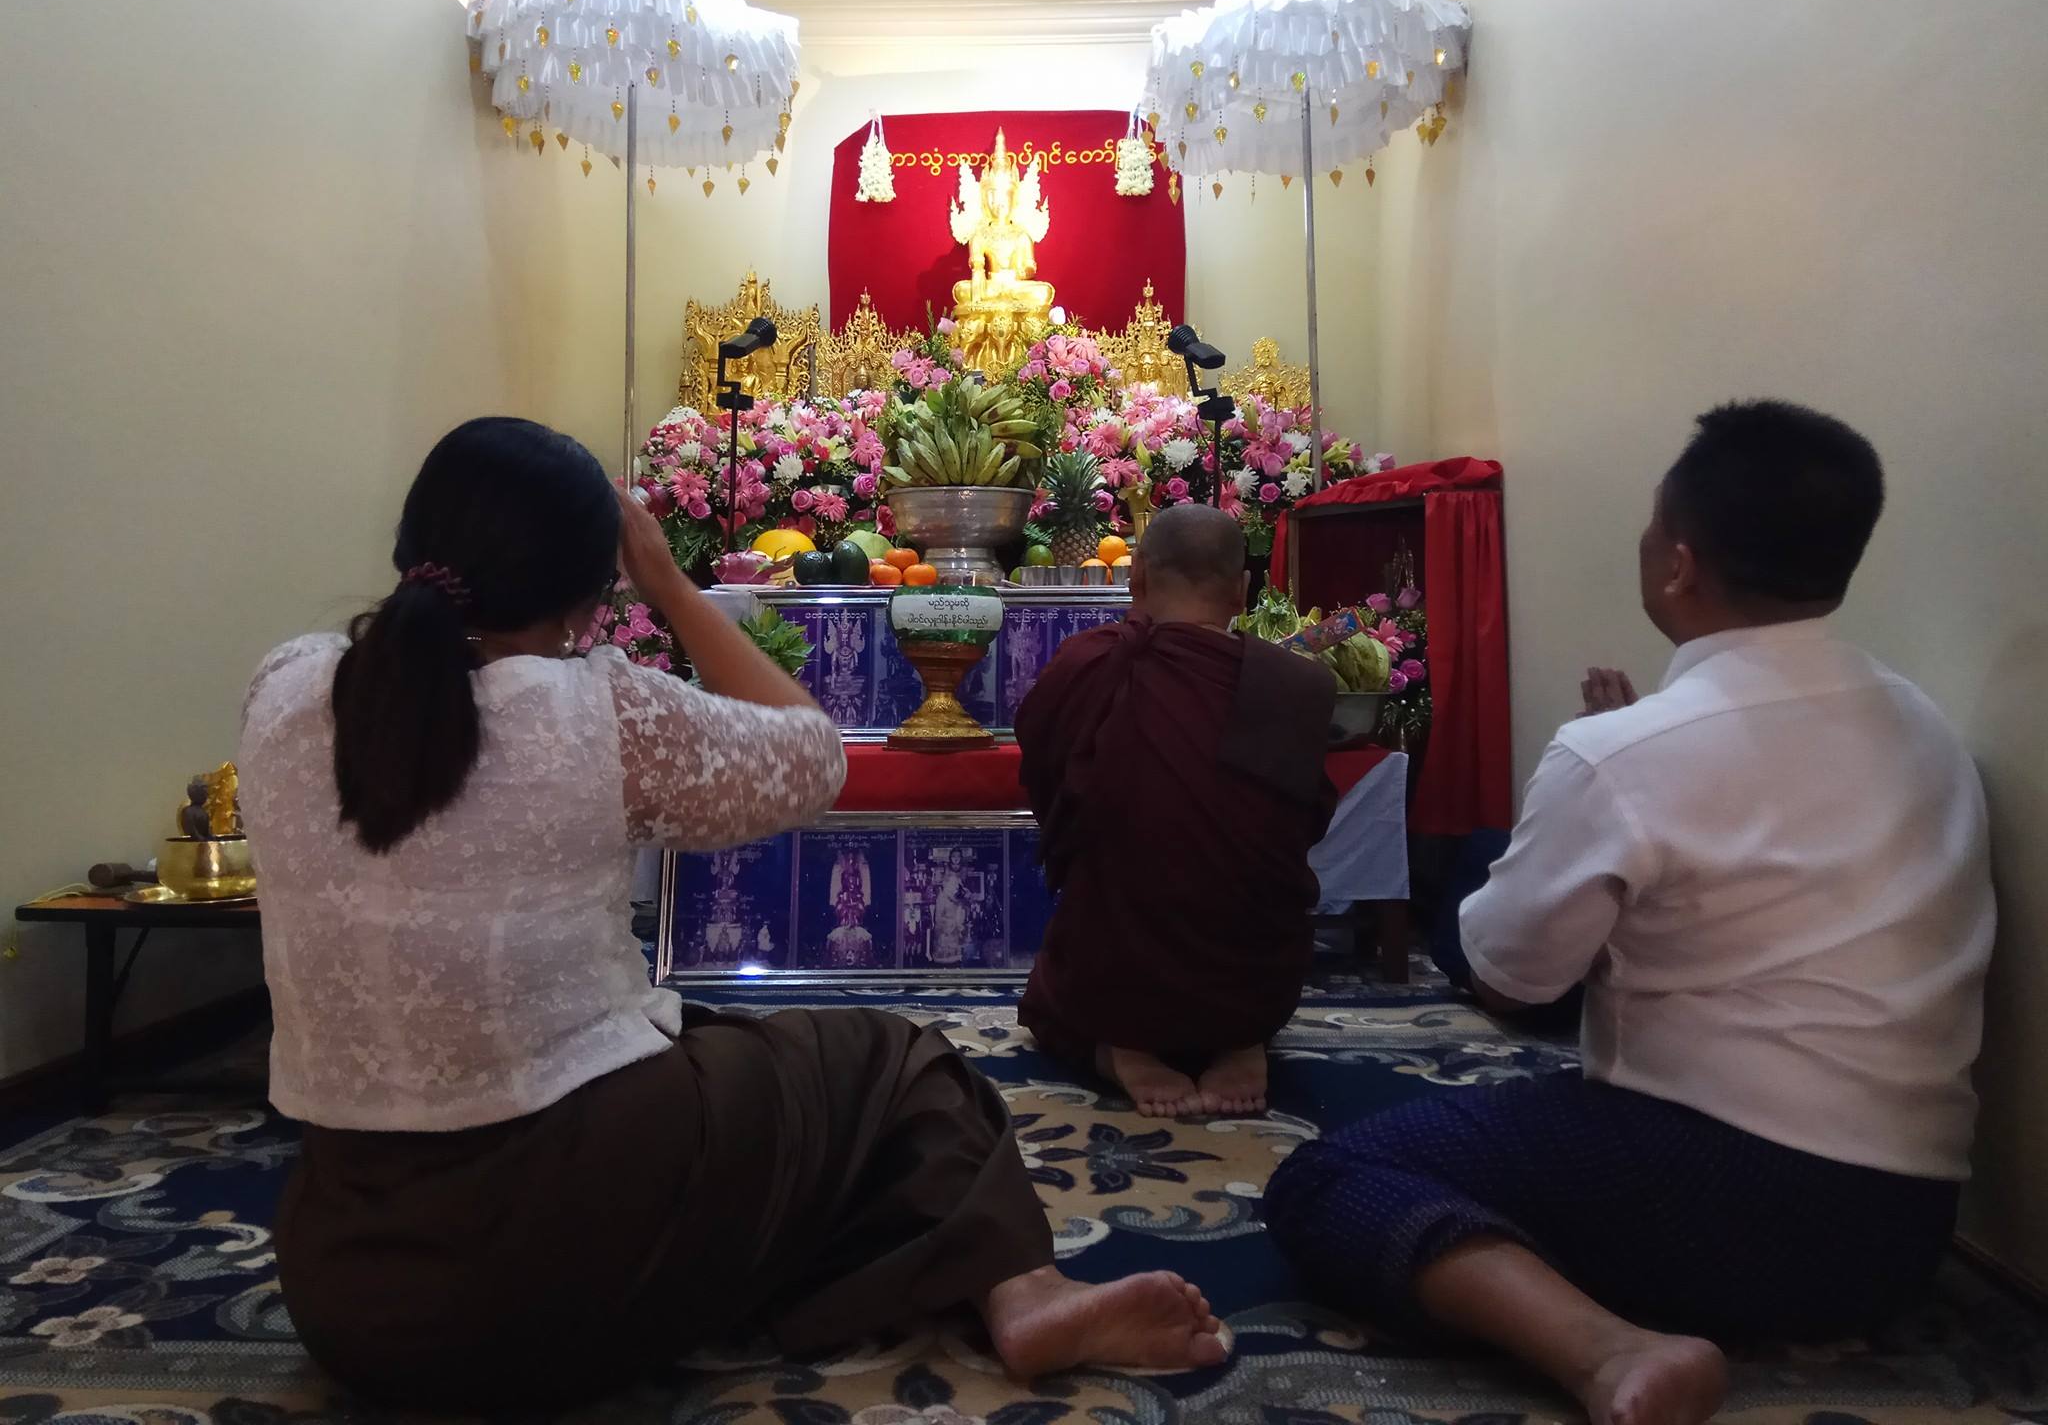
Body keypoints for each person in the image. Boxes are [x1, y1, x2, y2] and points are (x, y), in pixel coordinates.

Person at [239, 418, 1224, 1411]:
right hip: (550, 1257)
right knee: (894, 1066)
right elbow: (813, 756)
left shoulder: (284, 689)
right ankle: (1026, 1294)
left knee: (712, 1052)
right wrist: (673, 586)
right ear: (588, 594)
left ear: (411, 546)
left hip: (349, 1288)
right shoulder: (595, 711)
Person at [1264, 401, 1995, 1425]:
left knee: (1334, 1175)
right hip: (1903, 1234)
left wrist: (1588, 781)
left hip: (1721, 1198)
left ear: (1678, 565)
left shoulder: (1625, 752)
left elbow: (1507, 980)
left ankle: (1607, 1353)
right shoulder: (1925, 725)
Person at [1016, 503, 1338, 1118]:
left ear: (1136, 576)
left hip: (1115, 980)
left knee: (1102, 904)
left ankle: (1124, 1045)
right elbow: (1305, 824)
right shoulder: (1295, 686)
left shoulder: (1087, 665)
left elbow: (1052, 791)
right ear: (1242, 589)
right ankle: (1241, 1038)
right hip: (1254, 982)